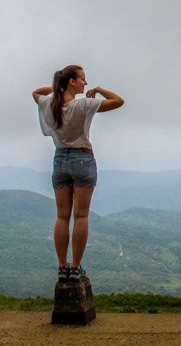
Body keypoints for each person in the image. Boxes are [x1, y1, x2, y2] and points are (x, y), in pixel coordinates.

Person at [33, 65, 124, 281]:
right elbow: (119, 101)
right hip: (82, 159)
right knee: (81, 216)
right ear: (72, 81)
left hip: (59, 160)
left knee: (62, 216)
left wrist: (58, 89)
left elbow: (36, 93)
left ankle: (62, 267)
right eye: (82, 78)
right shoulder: (84, 105)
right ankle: (75, 268)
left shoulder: (50, 103)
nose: (86, 82)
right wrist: (99, 89)